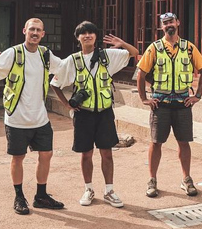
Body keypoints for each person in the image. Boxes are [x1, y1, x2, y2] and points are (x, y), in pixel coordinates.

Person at [0, 17, 65, 216]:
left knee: (46, 155)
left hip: (40, 118)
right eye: (32, 30)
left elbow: (64, 67)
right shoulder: (13, 53)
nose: (35, 33)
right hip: (17, 118)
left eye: (39, 30)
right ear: (24, 31)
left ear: (43, 34)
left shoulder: (46, 54)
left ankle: (41, 196)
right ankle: (19, 196)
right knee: (18, 157)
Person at [51, 22, 137, 208]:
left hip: (105, 113)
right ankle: (88, 189)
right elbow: (55, 83)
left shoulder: (107, 56)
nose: (87, 36)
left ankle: (109, 190)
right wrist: (67, 105)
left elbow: (134, 53)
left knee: (107, 152)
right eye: (83, 33)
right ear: (78, 38)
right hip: (84, 114)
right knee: (86, 154)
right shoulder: (72, 61)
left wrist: (121, 43)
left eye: (91, 32)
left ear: (96, 37)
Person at [136, 12, 202, 198]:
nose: (169, 25)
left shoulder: (189, 48)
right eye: (165, 23)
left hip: (183, 103)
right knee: (156, 142)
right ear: (161, 27)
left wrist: (197, 96)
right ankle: (152, 180)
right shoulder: (154, 48)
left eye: (171, 21)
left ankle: (186, 179)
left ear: (178, 22)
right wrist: (144, 99)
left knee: (184, 142)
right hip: (161, 103)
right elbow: (141, 74)